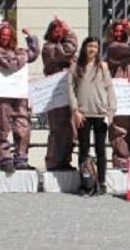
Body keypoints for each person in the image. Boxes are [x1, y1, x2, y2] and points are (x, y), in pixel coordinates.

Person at [0, 21, 39, 173]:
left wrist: (31, 38)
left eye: (8, 36)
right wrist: (23, 55)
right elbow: (10, 65)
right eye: (3, 36)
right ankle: (3, 158)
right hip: (2, 95)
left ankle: (21, 158)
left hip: (19, 94)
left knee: (23, 126)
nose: (5, 39)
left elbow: (33, 54)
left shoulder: (17, 51)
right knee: (2, 127)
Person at [68, 36, 117, 195]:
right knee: (83, 149)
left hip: (100, 114)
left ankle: (101, 182)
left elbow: (110, 89)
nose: (92, 49)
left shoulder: (103, 67)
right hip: (83, 114)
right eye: (90, 46)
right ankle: (85, 183)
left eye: (95, 47)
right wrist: (75, 110)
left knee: (101, 149)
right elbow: (70, 89)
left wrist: (111, 110)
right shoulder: (75, 67)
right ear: (84, 47)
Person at [105, 19, 130, 170]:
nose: (119, 33)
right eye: (117, 30)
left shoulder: (129, 53)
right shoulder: (114, 47)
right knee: (119, 127)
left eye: (122, 30)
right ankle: (121, 158)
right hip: (120, 93)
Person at [42, 17, 78, 171]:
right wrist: (69, 31)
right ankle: (54, 162)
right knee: (57, 129)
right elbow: (69, 50)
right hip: (55, 93)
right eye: (55, 30)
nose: (58, 33)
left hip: (67, 91)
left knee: (70, 129)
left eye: (61, 31)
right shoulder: (49, 48)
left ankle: (65, 161)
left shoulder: (60, 47)